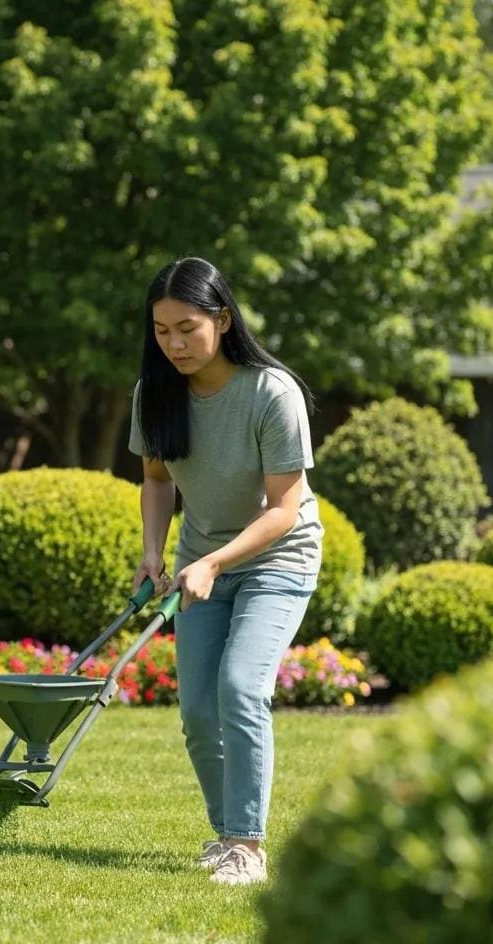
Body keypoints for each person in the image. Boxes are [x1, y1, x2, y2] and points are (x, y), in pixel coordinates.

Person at [129, 256, 323, 885]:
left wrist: (211, 561)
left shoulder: (271, 392)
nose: (175, 343)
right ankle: (226, 837)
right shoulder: (155, 391)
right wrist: (154, 553)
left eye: (187, 328)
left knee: (241, 687)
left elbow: (286, 509)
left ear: (223, 319)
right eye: (162, 331)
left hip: (276, 559)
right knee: (198, 712)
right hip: (199, 563)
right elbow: (156, 480)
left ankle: (248, 844)